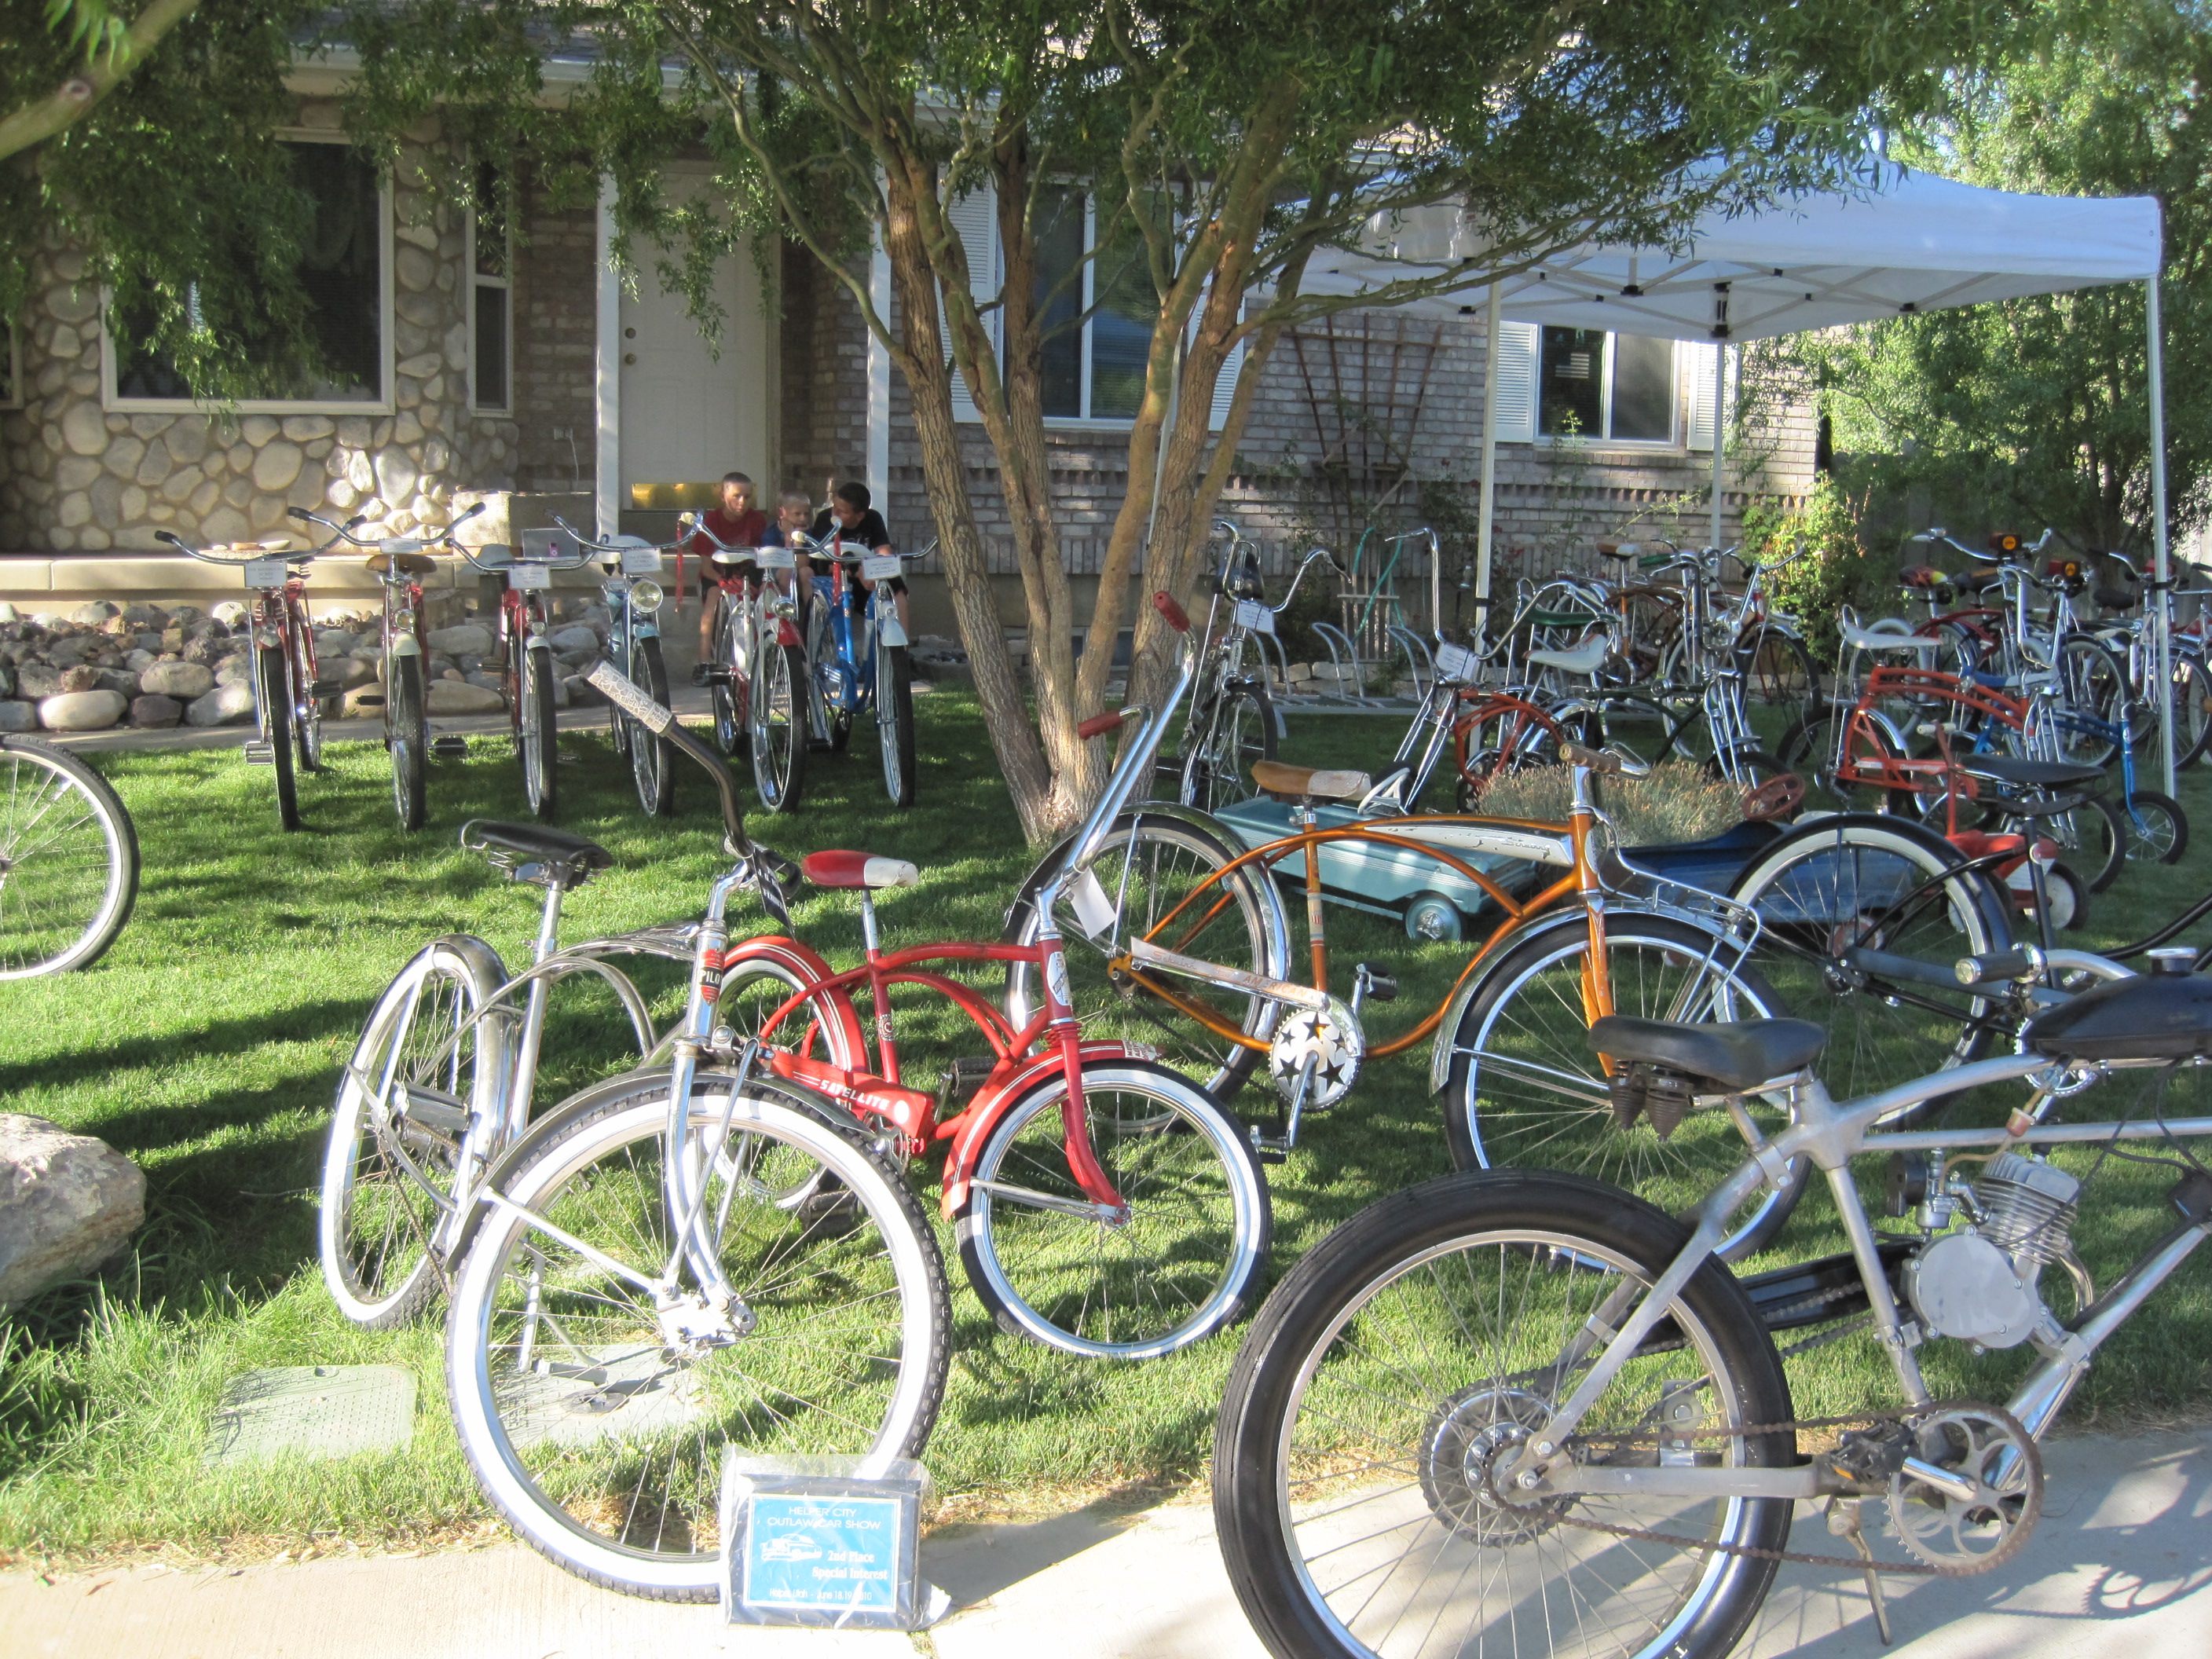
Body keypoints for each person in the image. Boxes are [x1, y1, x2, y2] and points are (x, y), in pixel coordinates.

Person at [809, 479, 909, 634]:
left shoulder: (873, 519)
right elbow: (819, 562)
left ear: (860, 515)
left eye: (843, 511)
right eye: (834, 507)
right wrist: (857, 571)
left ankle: (901, 647)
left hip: (866, 576)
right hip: (837, 576)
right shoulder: (824, 519)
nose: (835, 513)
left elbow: (883, 551)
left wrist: (877, 571)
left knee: (897, 588)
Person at [690, 471, 767, 657]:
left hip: (748, 575)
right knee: (714, 595)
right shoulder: (711, 522)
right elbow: (707, 568)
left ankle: (768, 649)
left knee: (769, 590)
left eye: (747, 497)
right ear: (723, 496)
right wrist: (722, 581)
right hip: (717, 575)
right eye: (736, 496)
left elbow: (763, 557)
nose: (742, 502)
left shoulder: (757, 520)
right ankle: (704, 657)